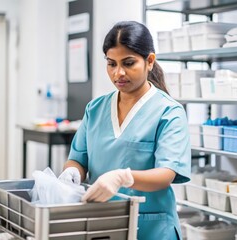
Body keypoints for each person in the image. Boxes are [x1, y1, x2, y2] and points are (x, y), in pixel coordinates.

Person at [58, 21, 191, 240]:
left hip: (151, 228)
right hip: (102, 224)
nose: (118, 73)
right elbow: (78, 159)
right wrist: (72, 173)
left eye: (128, 63)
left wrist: (123, 177)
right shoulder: (96, 108)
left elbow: (166, 174)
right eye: (111, 64)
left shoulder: (169, 111)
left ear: (149, 61)